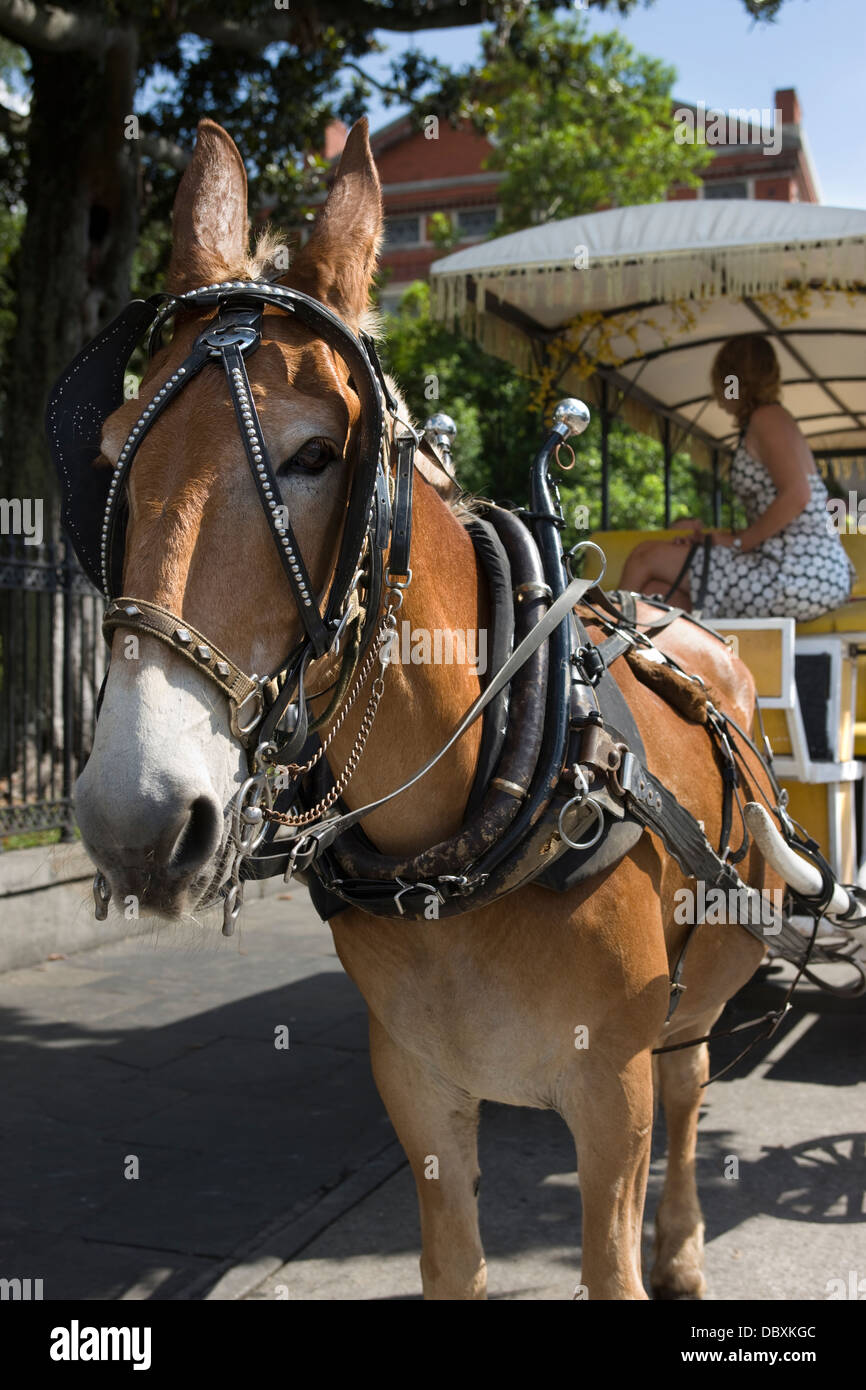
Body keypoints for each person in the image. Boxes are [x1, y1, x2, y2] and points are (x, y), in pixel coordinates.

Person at [619, 334, 854, 620]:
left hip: (798, 573)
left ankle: (601, 651)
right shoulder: (771, 420)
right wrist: (715, 540)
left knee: (646, 555)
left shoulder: (767, 418)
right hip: (803, 570)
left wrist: (739, 543)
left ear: (731, 380)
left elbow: (797, 495)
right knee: (659, 591)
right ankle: (656, 658)